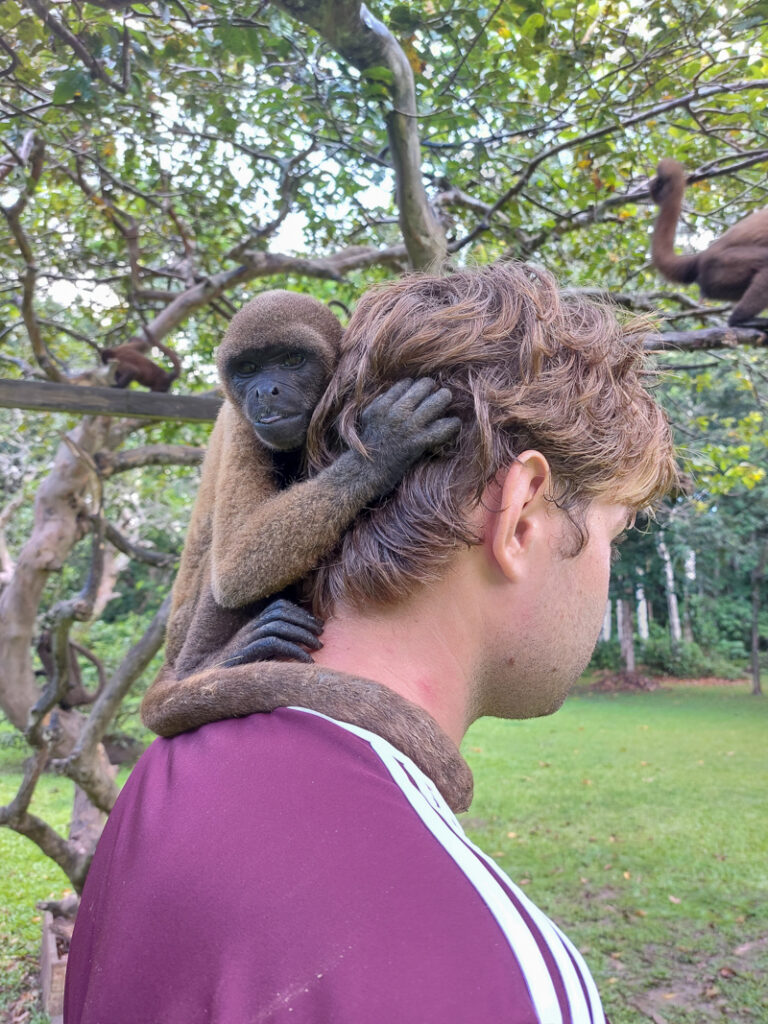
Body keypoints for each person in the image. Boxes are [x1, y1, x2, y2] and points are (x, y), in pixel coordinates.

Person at [64, 262, 678, 1024]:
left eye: (288, 370)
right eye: (612, 536)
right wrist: (364, 468)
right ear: (520, 517)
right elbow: (231, 573)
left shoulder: (156, 787)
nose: (267, 395)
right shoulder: (512, 980)